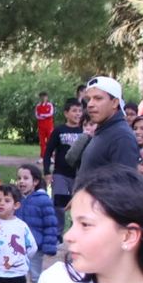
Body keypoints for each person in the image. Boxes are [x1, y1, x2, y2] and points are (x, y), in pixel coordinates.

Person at [67, 76, 140, 178]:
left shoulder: (122, 137)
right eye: (88, 99)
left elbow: (124, 184)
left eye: (98, 98)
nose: (90, 104)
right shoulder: (103, 130)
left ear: (114, 102)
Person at [14, 162, 60, 283]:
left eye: (25, 178)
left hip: (35, 247)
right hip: (17, 246)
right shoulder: (15, 199)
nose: (21, 181)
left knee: (35, 276)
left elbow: (50, 224)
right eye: (19, 178)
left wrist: (49, 246)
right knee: (17, 276)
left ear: (35, 181)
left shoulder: (43, 200)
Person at [43, 98, 86, 229]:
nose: (78, 114)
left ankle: (76, 230)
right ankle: (57, 233)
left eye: (80, 111)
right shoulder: (59, 130)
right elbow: (48, 152)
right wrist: (47, 172)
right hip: (60, 174)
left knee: (79, 204)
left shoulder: (84, 131)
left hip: (78, 175)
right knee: (59, 205)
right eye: (74, 111)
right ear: (66, 113)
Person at [34, 92, 55, 158]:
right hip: (41, 126)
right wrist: (44, 116)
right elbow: (37, 116)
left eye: (44, 96)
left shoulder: (50, 105)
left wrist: (42, 115)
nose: (43, 98)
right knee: (42, 142)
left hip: (49, 126)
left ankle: (50, 156)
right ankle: (42, 156)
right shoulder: (38, 106)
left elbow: (51, 114)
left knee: (50, 141)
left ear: (47, 97)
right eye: (42, 97)